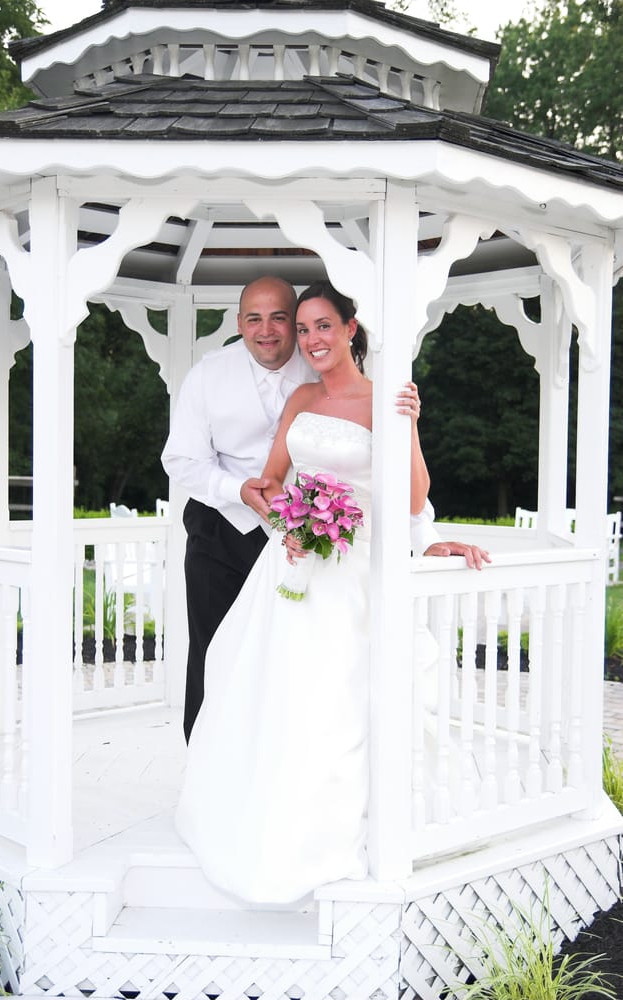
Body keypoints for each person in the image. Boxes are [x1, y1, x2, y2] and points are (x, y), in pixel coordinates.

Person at [175, 281, 490, 904]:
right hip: (294, 563)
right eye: (305, 328)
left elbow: (412, 499)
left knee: (341, 691)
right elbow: (271, 482)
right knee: (266, 683)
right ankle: (260, 813)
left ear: (351, 328)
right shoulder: (299, 396)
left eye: (323, 326)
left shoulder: (387, 400)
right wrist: (291, 525)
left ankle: (341, 826)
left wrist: (410, 429)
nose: (311, 339)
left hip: (356, 569)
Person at [162, 276, 467, 743]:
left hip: (326, 547)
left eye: (283, 319)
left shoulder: (325, 370)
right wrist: (245, 495)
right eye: (254, 319)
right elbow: (185, 460)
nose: (269, 330)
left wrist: (426, 538)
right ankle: (207, 755)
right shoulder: (210, 374)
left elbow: (392, 487)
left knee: (308, 670)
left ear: (348, 328)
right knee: (217, 651)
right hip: (226, 529)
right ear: (239, 323)